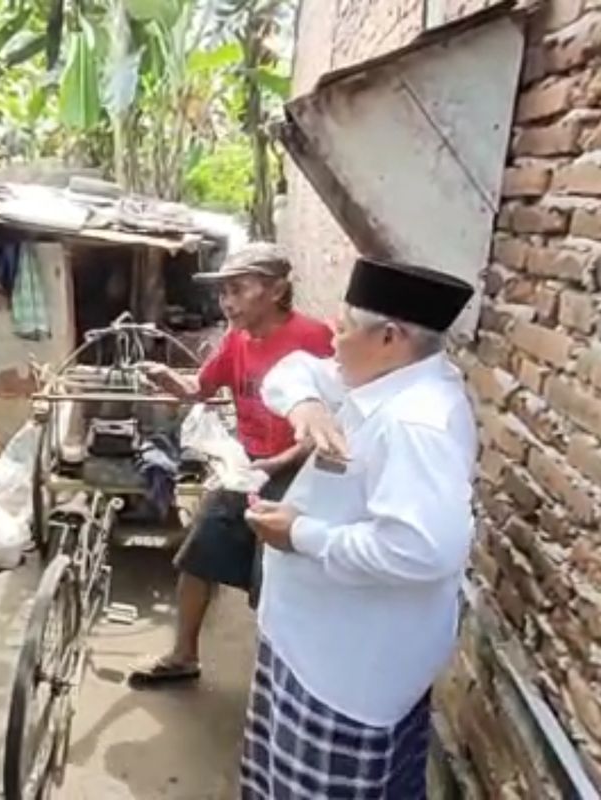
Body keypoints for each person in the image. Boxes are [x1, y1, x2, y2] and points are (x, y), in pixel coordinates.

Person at [241, 256, 477, 799]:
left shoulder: (414, 423)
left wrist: (301, 534)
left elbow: (423, 550)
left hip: (342, 673)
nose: (332, 341)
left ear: (390, 336)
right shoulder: (388, 378)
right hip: (313, 645)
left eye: (343, 328)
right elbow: (294, 369)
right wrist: (306, 406)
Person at [128, 243, 333, 686]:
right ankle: (183, 655)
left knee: (274, 583)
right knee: (198, 554)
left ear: (277, 290)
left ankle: (285, 682)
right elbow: (200, 387)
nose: (227, 302)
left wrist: (280, 462)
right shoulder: (236, 340)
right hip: (246, 467)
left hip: (300, 477)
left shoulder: (315, 340)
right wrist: (171, 380)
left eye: (238, 290)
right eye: (223, 292)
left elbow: (330, 425)